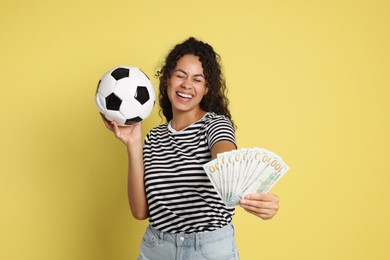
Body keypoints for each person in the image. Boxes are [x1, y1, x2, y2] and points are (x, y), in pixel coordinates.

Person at [101, 37, 279, 260]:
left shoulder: (215, 125)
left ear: (206, 89)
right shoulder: (154, 138)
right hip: (156, 248)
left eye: (197, 79)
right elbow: (140, 212)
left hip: (207, 251)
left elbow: (226, 159)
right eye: (180, 75)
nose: (186, 85)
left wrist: (256, 195)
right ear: (167, 79)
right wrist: (133, 143)